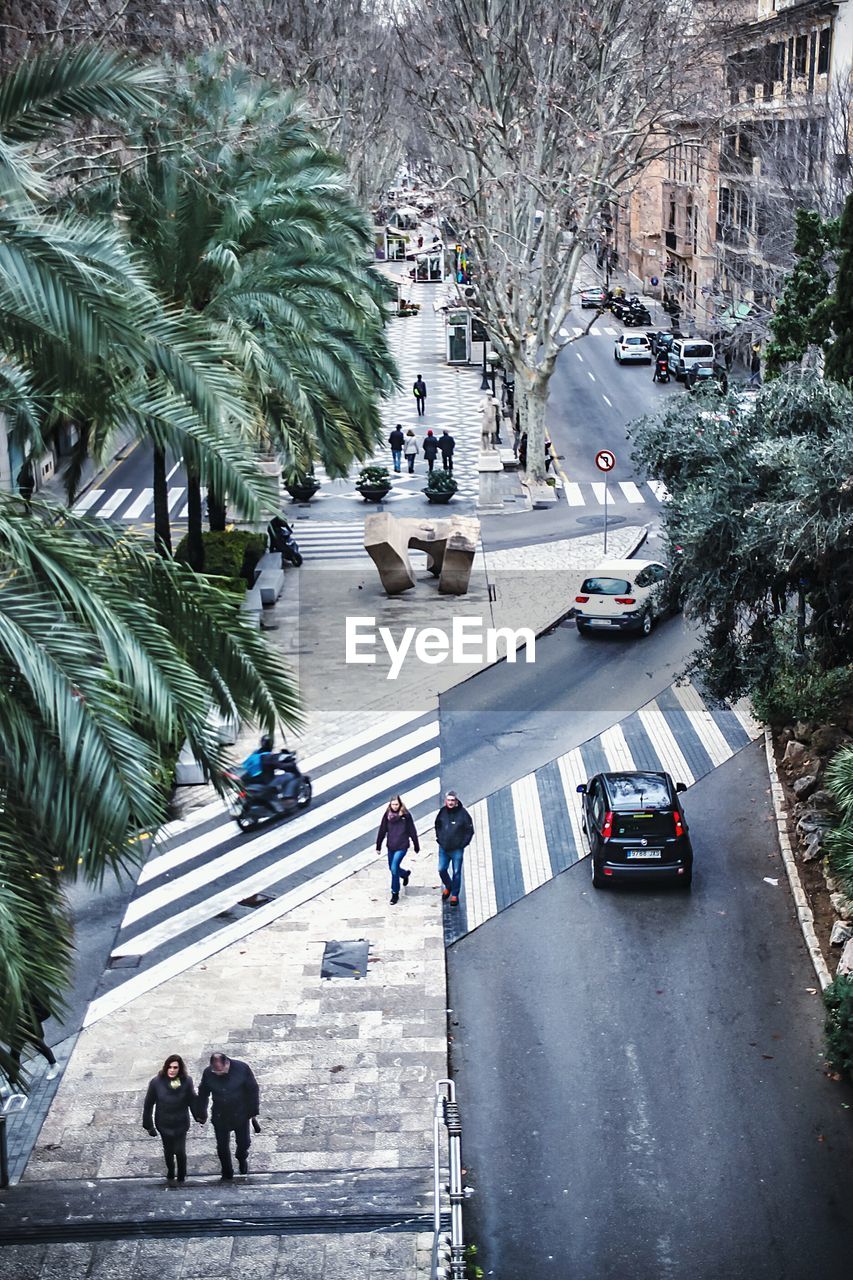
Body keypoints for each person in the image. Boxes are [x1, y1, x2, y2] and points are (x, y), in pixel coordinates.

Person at [197, 1052, 260, 1179]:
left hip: (240, 1114)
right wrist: (201, 1113)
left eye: (221, 1071)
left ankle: (241, 1158)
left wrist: (253, 1112)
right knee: (222, 1146)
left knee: (244, 1142)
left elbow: (252, 1090)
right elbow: (203, 1093)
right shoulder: (208, 1073)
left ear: (226, 1064)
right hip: (220, 1115)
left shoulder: (242, 1068)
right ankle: (227, 1172)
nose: (218, 1074)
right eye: (216, 1071)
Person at [142, 1054, 201, 1184]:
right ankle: (170, 1170)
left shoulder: (187, 1081)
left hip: (180, 1122)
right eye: (170, 1067)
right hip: (164, 1123)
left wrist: (198, 1115)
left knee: (180, 1151)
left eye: (175, 1067)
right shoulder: (156, 1083)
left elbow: (192, 1099)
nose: (172, 1070)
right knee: (168, 1150)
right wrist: (149, 1125)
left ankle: (181, 1175)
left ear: (179, 1069)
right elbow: (148, 1104)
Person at [375, 794, 420, 905]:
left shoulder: (405, 816)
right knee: (392, 868)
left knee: (394, 868)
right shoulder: (387, 815)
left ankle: (395, 893)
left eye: (396, 804)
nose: (395, 806)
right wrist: (378, 845)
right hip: (391, 846)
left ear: (400, 804)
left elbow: (412, 830)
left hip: (402, 845)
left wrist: (416, 844)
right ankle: (404, 874)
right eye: (393, 804)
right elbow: (382, 830)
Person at [435, 790, 474, 906]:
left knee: (456, 872)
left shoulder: (463, 814)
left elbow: (469, 831)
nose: (450, 802)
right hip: (444, 847)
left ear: (456, 801)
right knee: (442, 869)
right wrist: (440, 838)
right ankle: (449, 886)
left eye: (452, 800)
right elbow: (437, 825)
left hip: (457, 849)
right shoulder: (442, 812)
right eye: (449, 800)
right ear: (445, 801)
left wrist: (463, 844)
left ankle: (455, 895)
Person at [9, 998, 59, 1081]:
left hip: (28, 1022)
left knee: (38, 1044)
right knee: (15, 1052)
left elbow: (41, 1008)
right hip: (17, 1023)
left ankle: (54, 1064)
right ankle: (13, 1080)